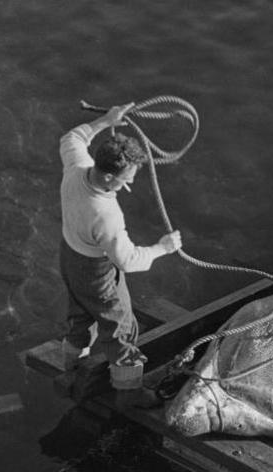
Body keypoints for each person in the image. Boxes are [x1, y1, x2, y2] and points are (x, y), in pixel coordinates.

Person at [58, 102, 182, 409]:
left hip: (69, 258)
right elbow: (127, 261)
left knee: (80, 314)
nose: (133, 181)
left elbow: (72, 137)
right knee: (121, 327)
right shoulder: (106, 213)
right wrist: (162, 248)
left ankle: (71, 368)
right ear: (111, 178)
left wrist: (106, 120)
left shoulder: (76, 167)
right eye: (129, 176)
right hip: (96, 272)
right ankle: (129, 393)